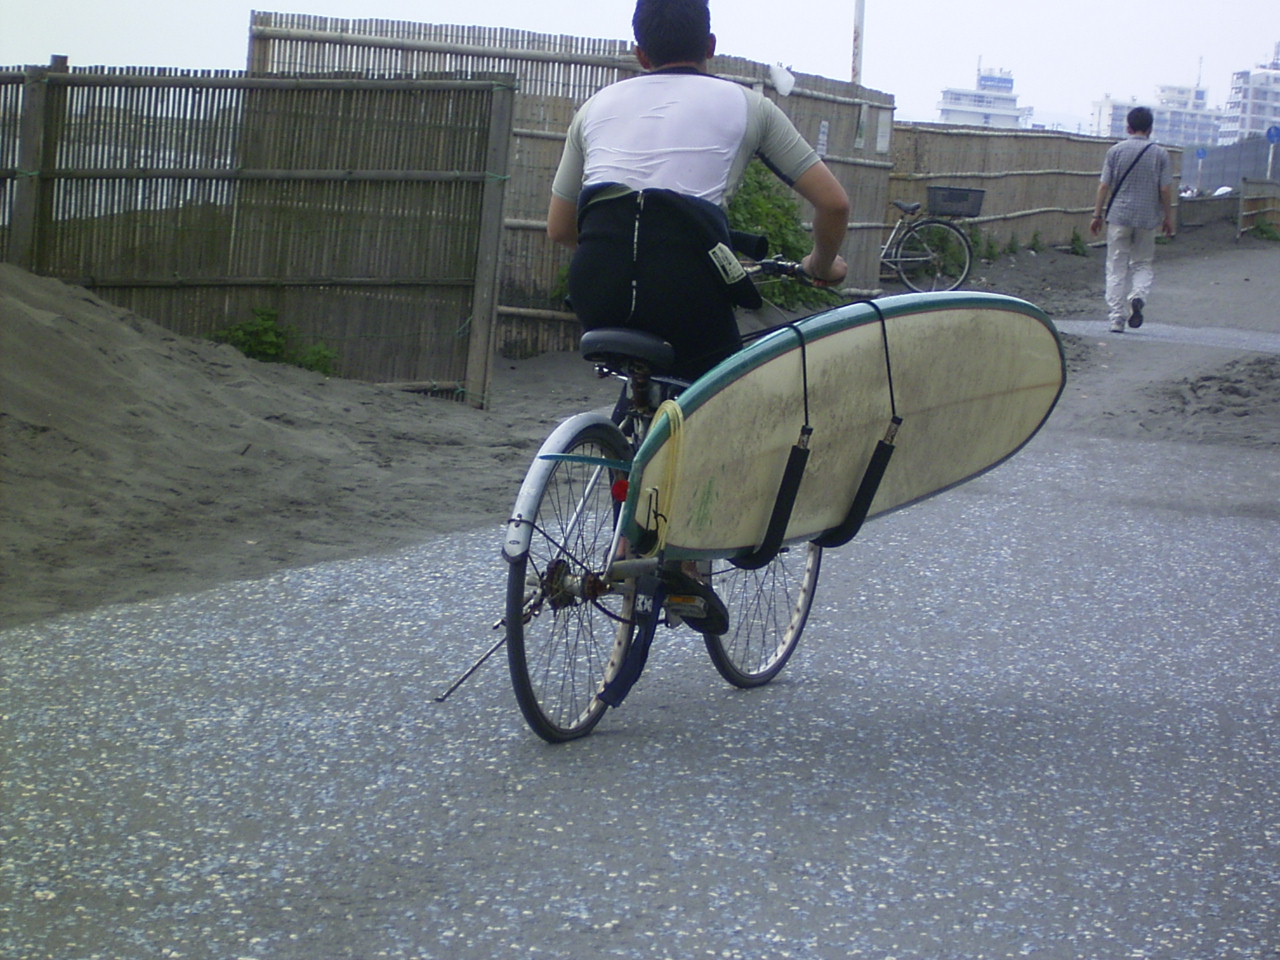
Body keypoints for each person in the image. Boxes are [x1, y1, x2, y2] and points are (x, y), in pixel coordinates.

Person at [546, 0, 850, 380]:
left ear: (640, 54)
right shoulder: (750, 106)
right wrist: (821, 265)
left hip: (597, 287)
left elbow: (559, 228)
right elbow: (834, 204)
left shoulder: (595, 107)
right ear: (710, 46)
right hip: (688, 289)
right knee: (723, 397)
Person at [1090, 106, 1174, 333]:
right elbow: (1165, 189)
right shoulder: (1160, 154)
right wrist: (1167, 216)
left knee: (1116, 266)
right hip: (1147, 218)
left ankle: (1117, 318)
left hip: (1119, 216)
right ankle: (1137, 296)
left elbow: (1104, 185)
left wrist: (1097, 215)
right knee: (1142, 263)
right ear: (1150, 128)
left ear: (1128, 127)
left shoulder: (1115, 151)